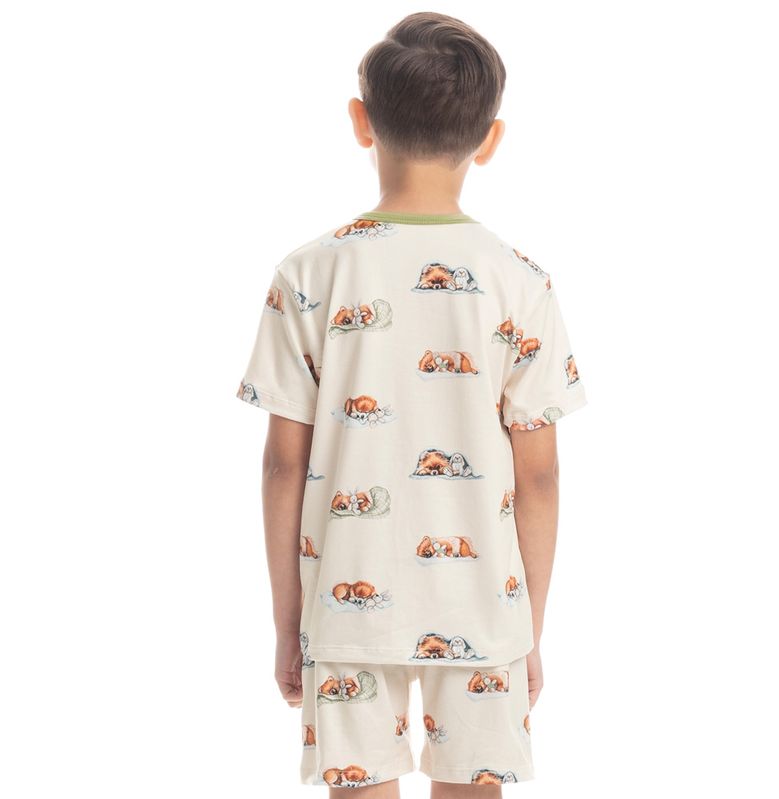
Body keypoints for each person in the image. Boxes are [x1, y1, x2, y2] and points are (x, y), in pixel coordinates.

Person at [235, 11, 588, 796]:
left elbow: (283, 465)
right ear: (490, 139)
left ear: (360, 122)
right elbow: (539, 477)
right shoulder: (521, 280)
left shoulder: (307, 275)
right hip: (484, 607)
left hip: (346, 608)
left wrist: (289, 620)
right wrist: (525, 628)